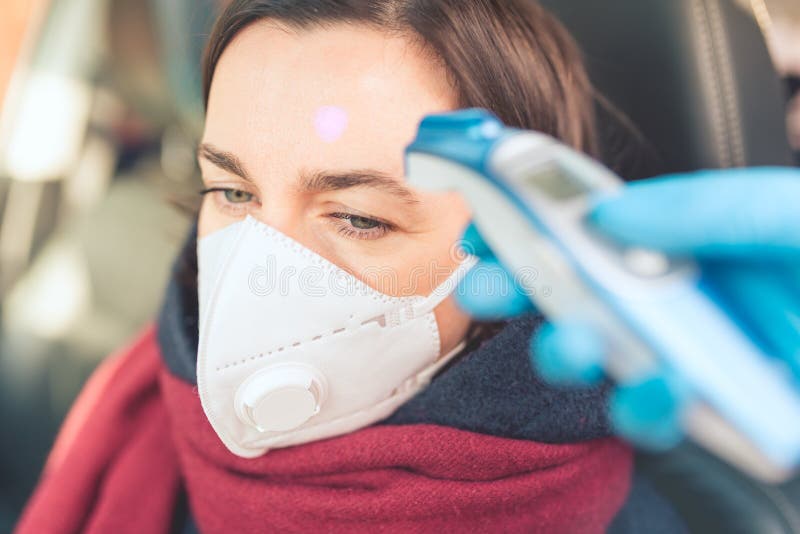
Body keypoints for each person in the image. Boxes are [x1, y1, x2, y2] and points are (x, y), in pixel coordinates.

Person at [16, 1, 688, 533]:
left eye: (361, 217)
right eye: (233, 192)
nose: (259, 269)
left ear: (512, 250)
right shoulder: (138, 402)